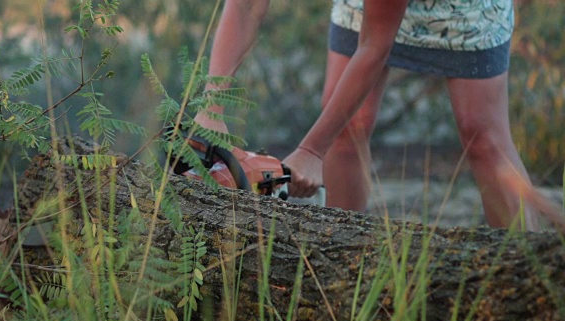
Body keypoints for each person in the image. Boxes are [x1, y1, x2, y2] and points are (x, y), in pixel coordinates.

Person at [194, 0, 538, 230]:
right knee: (349, 129)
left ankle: (532, 279)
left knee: (483, 138)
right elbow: (245, 6)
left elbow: (375, 46)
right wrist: (212, 108)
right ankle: (340, 274)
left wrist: (313, 152)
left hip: (460, 10)